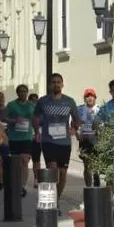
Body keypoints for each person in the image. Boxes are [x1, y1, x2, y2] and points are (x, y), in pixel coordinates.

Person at [32, 73, 79, 209]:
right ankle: (50, 201)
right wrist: (36, 132)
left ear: (62, 84)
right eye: (53, 82)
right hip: (48, 141)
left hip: (64, 142)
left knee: (62, 175)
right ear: (49, 85)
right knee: (52, 170)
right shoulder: (43, 101)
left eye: (59, 82)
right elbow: (35, 118)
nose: (56, 84)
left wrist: (74, 129)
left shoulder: (69, 101)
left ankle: (56, 200)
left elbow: (77, 120)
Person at [5, 85, 35, 194]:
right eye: (20, 92)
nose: (22, 93)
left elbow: (36, 119)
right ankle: (15, 183)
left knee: (25, 161)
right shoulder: (12, 105)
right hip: (14, 138)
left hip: (27, 137)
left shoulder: (32, 105)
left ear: (27, 93)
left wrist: (36, 132)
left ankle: (22, 186)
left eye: (24, 91)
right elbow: (3, 118)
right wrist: (14, 121)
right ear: (17, 93)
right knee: (15, 163)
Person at [76, 88, 100, 187]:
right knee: (87, 166)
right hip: (84, 141)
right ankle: (89, 188)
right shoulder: (80, 109)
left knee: (96, 165)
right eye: (87, 96)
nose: (89, 98)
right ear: (84, 98)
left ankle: (96, 178)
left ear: (95, 98)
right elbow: (74, 123)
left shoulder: (100, 110)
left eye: (91, 96)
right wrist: (76, 132)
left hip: (97, 141)